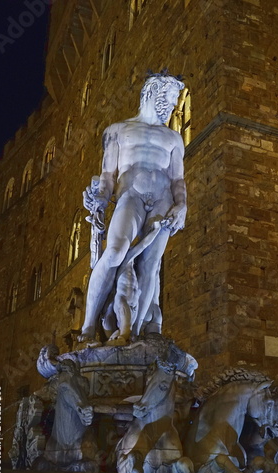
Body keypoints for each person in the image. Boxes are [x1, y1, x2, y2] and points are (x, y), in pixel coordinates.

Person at [78, 71, 187, 344]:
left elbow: (178, 179)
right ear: (154, 93)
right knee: (114, 252)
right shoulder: (118, 130)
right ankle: (89, 326)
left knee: (151, 266)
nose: (174, 105)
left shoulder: (174, 139)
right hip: (131, 194)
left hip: (163, 199)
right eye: (171, 98)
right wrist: (100, 201)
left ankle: (134, 332)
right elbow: (107, 175)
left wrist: (183, 205)